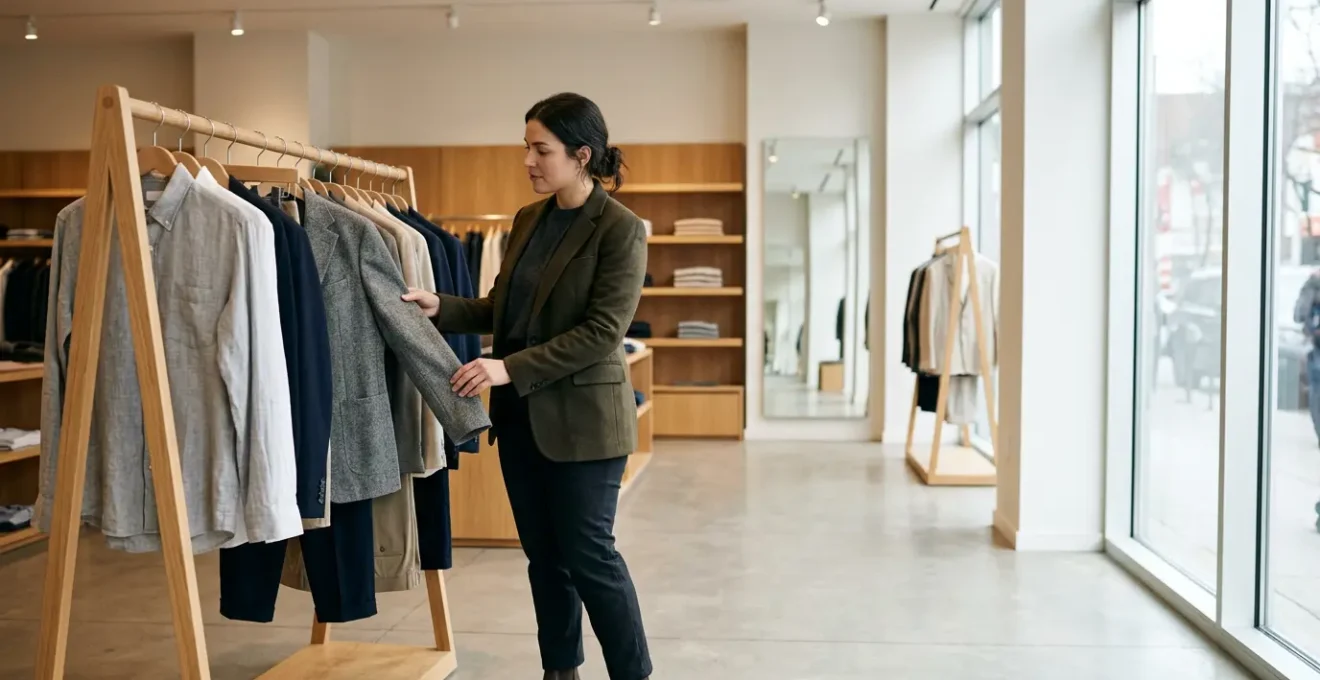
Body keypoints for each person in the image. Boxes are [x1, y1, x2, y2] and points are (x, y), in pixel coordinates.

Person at [402, 93, 652, 680]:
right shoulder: (527, 220)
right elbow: (503, 309)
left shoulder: (620, 230)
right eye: (527, 149)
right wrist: (443, 306)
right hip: (523, 422)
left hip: (587, 425)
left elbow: (602, 332)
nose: (529, 161)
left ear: (581, 155)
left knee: (591, 558)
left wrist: (507, 368)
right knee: (545, 560)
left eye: (542, 150)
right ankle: (559, 672)